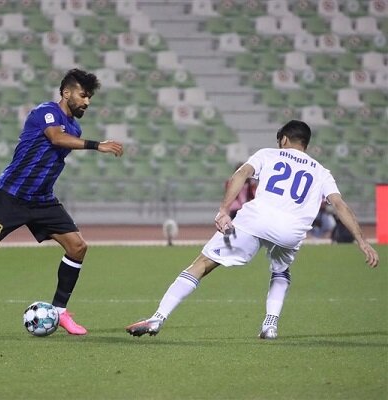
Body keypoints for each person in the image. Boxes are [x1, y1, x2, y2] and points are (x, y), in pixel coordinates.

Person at [125, 120, 379, 339]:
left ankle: (158, 318)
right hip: (291, 231)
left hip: (256, 220)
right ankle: (270, 325)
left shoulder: (268, 154)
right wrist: (362, 241)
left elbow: (241, 174)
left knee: (202, 264)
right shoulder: (322, 172)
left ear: (284, 139)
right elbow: (339, 205)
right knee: (281, 270)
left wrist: (223, 209)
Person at [0, 69, 124, 336]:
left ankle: (60, 311)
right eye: (83, 95)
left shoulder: (75, 127)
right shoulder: (45, 112)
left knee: (77, 247)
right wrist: (98, 145)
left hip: (42, 200)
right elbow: (56, 138)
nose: (87, 102)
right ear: (66, 93)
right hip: (11, 196)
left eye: (89, 98)